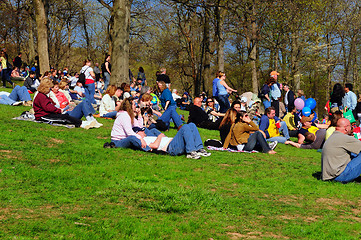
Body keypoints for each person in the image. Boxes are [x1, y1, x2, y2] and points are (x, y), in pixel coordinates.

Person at [33, 78, 101, 128]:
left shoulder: (43, 96)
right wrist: (59, 110)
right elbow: (48, 107)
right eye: (50, 88)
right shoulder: (41, 96)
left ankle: (89, 120)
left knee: (83, 103)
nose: (50, 90)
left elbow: (50, 105)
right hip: (44, 116)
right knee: (64, 118)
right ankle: (83, 123)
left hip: (53, 112)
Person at [322, 118, 361, 183]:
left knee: (354, 154)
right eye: (350, 126)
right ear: (346, 128)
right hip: (340, 176)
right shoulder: (344, 138)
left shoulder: (334, 136)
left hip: (329, 175)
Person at [143, 123, 211, 159]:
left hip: (172, 142)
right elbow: (155, 146)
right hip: (171, 148)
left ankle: (199, 149)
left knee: (192, 125)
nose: (142, 131)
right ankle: (191, 152)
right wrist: (160, 136)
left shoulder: (150, 133)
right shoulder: (143, 141)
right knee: (185, 127)